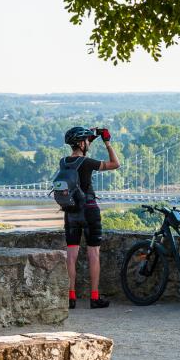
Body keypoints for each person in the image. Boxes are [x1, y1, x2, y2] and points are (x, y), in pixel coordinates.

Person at [62, 126, 120, 309]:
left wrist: (90, 137)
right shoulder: (87, 163)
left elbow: (78, 157)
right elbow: (115, 164)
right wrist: (107, 142)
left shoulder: (63, 162)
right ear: (81, 143)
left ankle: (71, 297)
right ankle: (94, 297)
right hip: (89, 210)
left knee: (71, 256)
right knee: (93, 253)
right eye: (86, 141)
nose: (88, 143)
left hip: (71, 211)